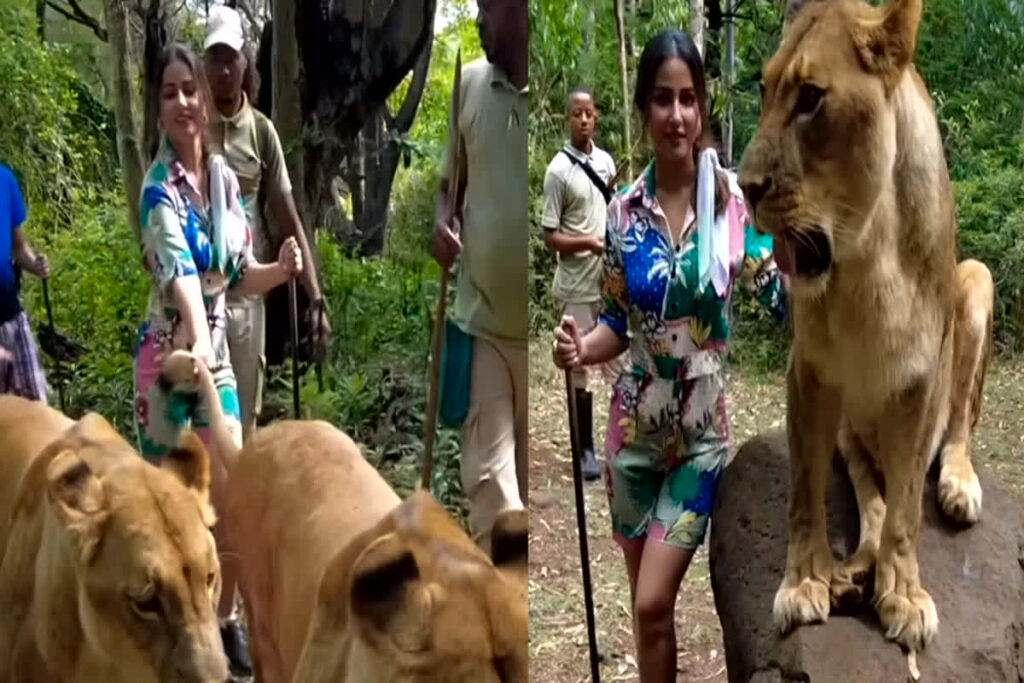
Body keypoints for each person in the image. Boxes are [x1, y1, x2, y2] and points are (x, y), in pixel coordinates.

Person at [553, 29, 787, 682]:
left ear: (703, 108)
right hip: (632, 440)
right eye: (662, 99)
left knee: (654, 596)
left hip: (699, 440)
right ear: (644, 108)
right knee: (648, 614)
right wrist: (579, 347)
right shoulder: (623, 213)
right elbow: (613, 326)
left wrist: (809, 284)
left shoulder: (734, 204)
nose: (676, 115)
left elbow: (778, 288)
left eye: (688, 99)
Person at [132, 44, 302, 677]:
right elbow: (180, 276)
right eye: (170, 92)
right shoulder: (158, 189)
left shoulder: (227, 180)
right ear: (159, 108)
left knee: (231, 497)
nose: (182, 102)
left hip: (216, 356)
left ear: (206, 99)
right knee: (174, 518)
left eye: (189, 90)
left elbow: (234, 278)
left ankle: (223, 619)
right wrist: (197, 340)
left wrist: (277, 271)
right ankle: (180, 637)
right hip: (168, 363)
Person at [203, 6, 330, 444]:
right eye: (213, 58)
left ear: (245, 62)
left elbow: (286, 214)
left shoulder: (261, 132)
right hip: (196, 297)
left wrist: (314, 295)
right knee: (201, 423)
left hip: (247, 293)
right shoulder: (191, 126)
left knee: (243, 423)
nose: (222, 69)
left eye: (230, 58)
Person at [433, 0, 528, 553]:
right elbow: (451, 185)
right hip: (484, 326)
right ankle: (507, 618)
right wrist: (443, 219)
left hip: (537, 339)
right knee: (494, 494)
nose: (477, 19)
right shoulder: (468, 84)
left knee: (528, 493)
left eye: (485, 7)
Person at [541, 86, 622, 482]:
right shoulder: (558, 171)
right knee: (578, 368)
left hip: (608, 283)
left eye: (589, 113)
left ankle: (620, 445)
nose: (584, 119)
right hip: (576, 284)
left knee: (619, 365)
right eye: (577, 114)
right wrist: (587, 243)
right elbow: (550, 235)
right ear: (567, 119)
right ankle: (584, 449)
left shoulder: (606, 163)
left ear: (597, 117)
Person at [0, 163, 49, 403]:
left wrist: (34, 264)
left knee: (36, 403)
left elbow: (19, 248)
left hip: (11, 315)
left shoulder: (5, 179)